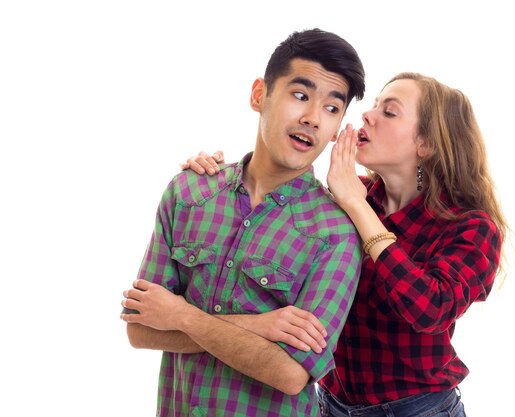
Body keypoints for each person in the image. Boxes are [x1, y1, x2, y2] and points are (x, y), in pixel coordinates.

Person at [184, 71, 507, 417]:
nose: (367, 115)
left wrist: (357, 207)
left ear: (425, 143)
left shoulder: (471, 227)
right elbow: (273, 215)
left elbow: (430, 309)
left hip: (418, 410)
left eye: (389, 111)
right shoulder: (345, 200)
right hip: (331, 407)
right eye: (374, 106)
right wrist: (220, 176)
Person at [119, 28, 366, 417]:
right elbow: (141, 327)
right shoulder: (188, 193)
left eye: (332, 108)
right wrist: (258, 326)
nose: (312, 118)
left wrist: (182, 316)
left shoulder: (335, 234)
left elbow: (290, 373)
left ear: (338, 129)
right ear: (259, 95)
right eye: (300, 95)